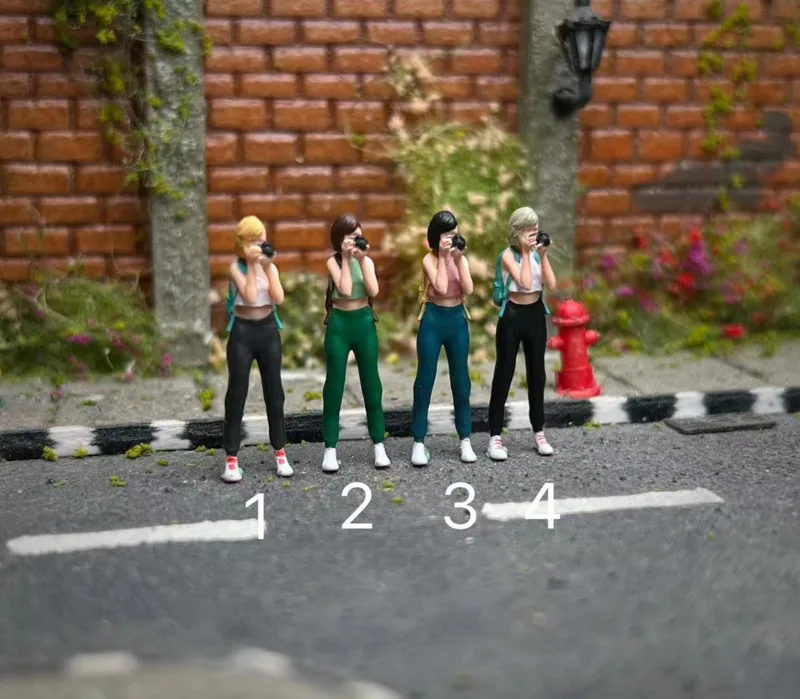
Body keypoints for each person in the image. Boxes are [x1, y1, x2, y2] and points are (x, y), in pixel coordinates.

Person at [222, 216, 291, 482]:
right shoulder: (236, 268)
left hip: (267, 331)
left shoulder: (269, 267)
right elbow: (250, 297)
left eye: (263, 240)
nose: (260, 246)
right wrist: (251, 265)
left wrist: (268, 266)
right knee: (237, 393)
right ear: (243, 244)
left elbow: (279, 298)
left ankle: (280, 451)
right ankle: (231, 458)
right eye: (255, 241)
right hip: (242, 332)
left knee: (274, 392)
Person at [321, 214, 390, 472]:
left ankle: (379, 444)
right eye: (351, 238)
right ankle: (330, 448)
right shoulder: (333, 262)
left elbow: (373, 291)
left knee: (372, 384)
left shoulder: (366, 261)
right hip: (339, 325)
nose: (356, 242)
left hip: (363, 323)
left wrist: (360, 259)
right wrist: (347, 258)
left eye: (359, 237)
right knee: (334, 386)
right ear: (340, 240)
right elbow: (346, 289)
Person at [487, 207, 557, 460]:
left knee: (537, 374)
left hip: (535, 315)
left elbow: (551, 284)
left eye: (535, 228)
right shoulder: (507, 256)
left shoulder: (536, 254)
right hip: (513, 316)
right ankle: (495, 436)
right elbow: (525, 282)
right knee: (504, 373)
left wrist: (543, 255)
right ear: (517, 232)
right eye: (528, 229)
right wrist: (526, 253)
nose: (533, 233)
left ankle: (539, 431)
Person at [410, 211, 476, 465]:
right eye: (447, 235)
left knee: (461, 381)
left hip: (456, 320)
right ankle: (418, 441)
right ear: (436, 237)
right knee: (425, 380)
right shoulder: (429, 259)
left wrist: (457, 260)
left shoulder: (461, 260)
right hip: (433, 320)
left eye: (455, 235)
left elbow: (468, 289)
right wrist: (445, 257)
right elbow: (440, 286)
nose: (452, 239)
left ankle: (465, 438)